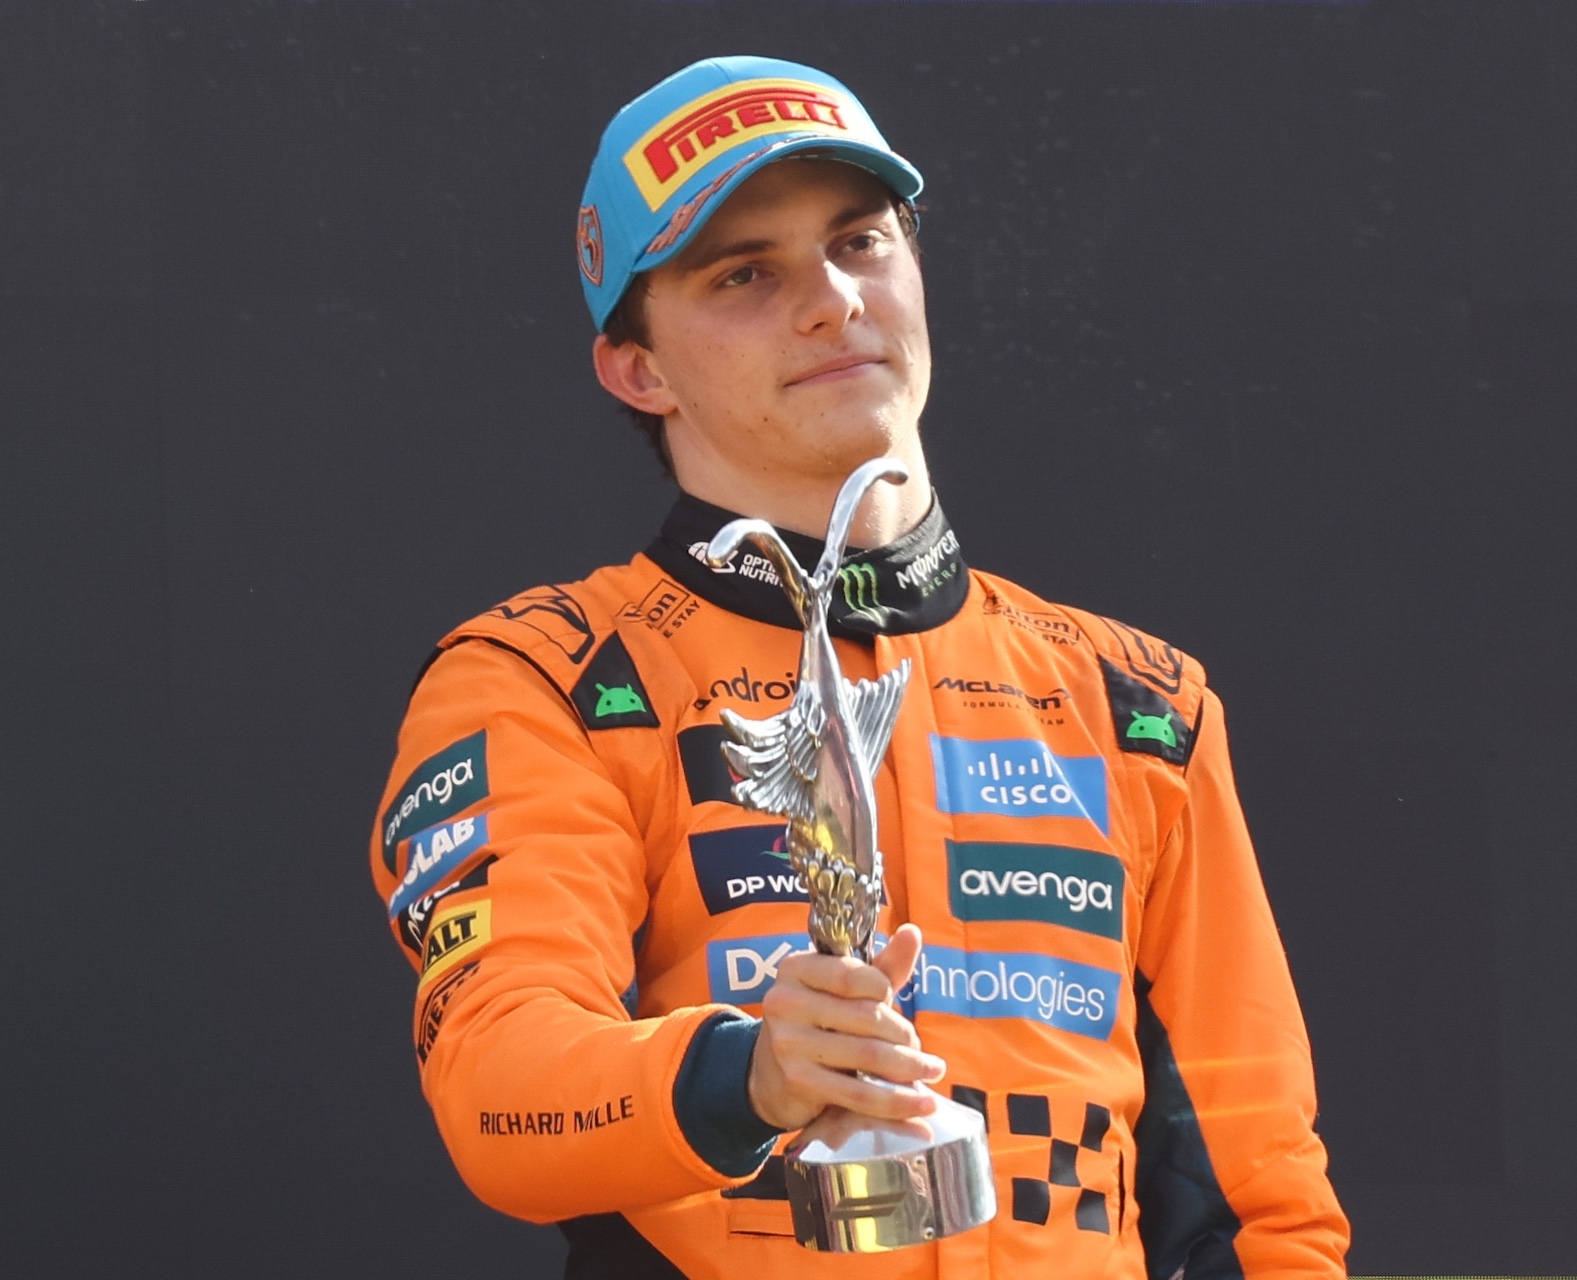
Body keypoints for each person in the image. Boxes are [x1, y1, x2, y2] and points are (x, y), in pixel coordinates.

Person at [370, 55, 1349, 1280]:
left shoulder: (1136, 699)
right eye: (744, 273)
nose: (831, 301)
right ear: (638, 367)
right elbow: (500, 1089)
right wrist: (747, 1073)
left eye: (859, 242)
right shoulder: (547, 679)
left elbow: (1262, 1192)